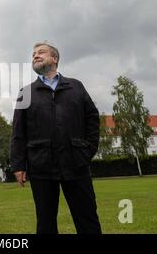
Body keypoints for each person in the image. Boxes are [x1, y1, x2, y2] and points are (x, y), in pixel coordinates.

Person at [10, 41, 102, 234]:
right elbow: (18, 132)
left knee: (87, 219)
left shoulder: (76, 86)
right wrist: (18, 165)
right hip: (41, 165)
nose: (35, 55)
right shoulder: (25, 93)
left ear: (55, 58)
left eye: (41, 52)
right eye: (33, 53)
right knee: (45, 223)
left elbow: (92, 118)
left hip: (76, 163)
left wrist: (87, 150)